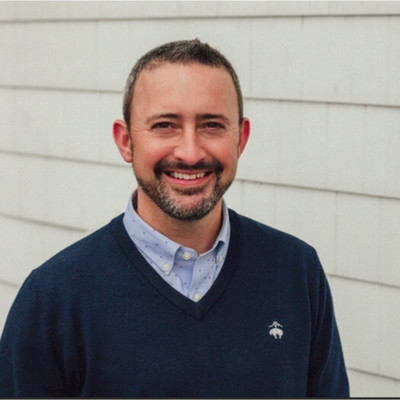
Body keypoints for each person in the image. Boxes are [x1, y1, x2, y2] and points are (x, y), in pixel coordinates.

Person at [0, 39, 349, 397]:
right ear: (125, 141)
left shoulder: (296, 272)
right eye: (165, 125)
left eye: (212, 125)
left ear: (240, 139)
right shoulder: (54, 300)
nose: (190, 153)